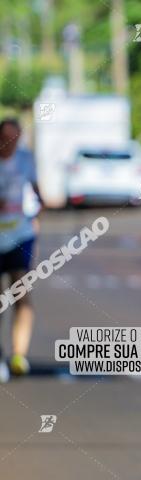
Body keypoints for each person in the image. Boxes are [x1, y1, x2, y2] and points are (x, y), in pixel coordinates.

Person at [0, 117, 43, 381]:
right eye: (6, 138)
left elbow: (39, 195)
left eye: (16, 138)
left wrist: (37, 215)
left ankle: (19, 354)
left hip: (21, 234)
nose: (11, 143)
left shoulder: (26, 160)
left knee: (21, 292)